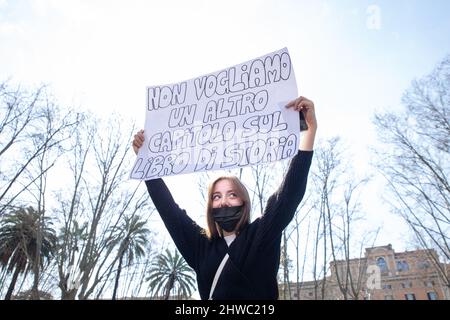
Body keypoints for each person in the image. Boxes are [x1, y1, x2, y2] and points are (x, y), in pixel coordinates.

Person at [132, 96, 317, 300]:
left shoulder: (261, 235)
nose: (224, 201)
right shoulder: (200, 247)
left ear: (244, 201)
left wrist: (309, 130)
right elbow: (169, 210)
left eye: (232, 194)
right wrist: (145, 160)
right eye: (216, 196)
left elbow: (288, 195)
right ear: (210, 205)